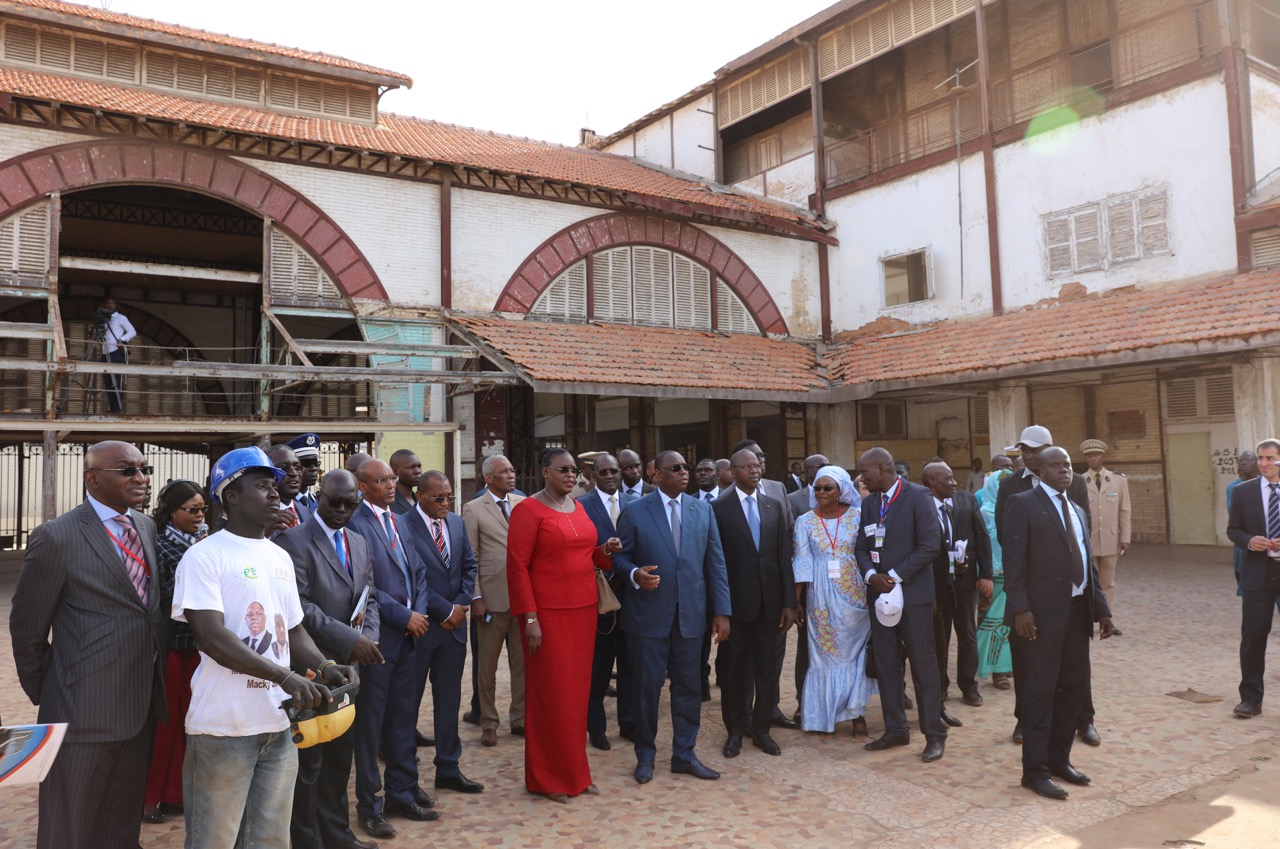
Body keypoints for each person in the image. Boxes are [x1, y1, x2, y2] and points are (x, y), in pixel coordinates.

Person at [175, 447, 354, 849]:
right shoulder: (204, 556)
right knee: (214, 841)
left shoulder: (278, 556)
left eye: (274, 486)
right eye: (261, 486)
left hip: (278, 724)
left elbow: (292, 628)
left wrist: (324, 665)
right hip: (224, 727)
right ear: (231, 496)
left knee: (270, 840)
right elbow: (211, 636)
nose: (275, 493)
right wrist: (285, 676)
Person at [10, 440, 167, 849]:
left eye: (144, 468)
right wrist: (57, 692)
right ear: (92, 477)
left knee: (120, 828)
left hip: (139, 710)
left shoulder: (145, 527)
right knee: (69, 830)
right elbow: (27, 630)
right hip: (80, 715)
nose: (141, 478)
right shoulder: (56, 537)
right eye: (128, 470)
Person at [275, 469, 383, 849]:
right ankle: (307, 840)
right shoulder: (294, 540)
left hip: (349, 670)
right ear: (319, 496)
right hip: (311, 666)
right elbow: (299, 607)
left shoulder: (359, 540)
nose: (340, 510)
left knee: (340, 758)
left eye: (349, 504)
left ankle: (338, 834)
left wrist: (367, 639)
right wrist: (350, 639)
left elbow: (368, 596)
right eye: (333, 502)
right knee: (309, 766)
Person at [507, 448, 620, 802]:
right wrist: (530, 617)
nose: (572, 475)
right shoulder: (527, 511)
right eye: (564, 470)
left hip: (583, 613)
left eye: (575, 471)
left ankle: (576, 773)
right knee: (551, 697)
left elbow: (584, 554)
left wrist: (605, 550)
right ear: (545, 472)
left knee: (575, 697)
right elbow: (517, 567)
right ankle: (546, 778)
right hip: (547, 616)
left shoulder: (579, 506)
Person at [1002, 446, 1115, 800]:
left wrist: (1102, 609)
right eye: (1056, 464)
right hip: (1037, 618)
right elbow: (1013, 561)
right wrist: (1020, 608)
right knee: (1040, 693)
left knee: (1071, 691)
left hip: (1077, 615)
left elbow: (1088, 565)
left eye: (1067, 464)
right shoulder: (1023, 504)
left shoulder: (1078, 510)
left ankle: (1059, 761)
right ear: (1041, 470)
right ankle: (1033, 772)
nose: (1065, 470)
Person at [614, 450, 731, 784]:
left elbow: (716, 564)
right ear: (656, 475)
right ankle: (645, 756)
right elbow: (620, 559)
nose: (684, 473)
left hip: (691, 618)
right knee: (646, 691)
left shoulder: (702, 509)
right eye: (675, 468)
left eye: (686, 468)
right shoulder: (635, 512)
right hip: (648, 618)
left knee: (689, 689)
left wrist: (722, 611)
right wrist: (635, 573)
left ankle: (684, 754)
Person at [347, 459, 440, 838]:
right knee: (371, 727)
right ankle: (370, 805)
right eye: (380, 480)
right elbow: (364, 585)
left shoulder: (398, 519)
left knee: (404, 718)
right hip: (378, 640)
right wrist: (404, 616)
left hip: (409, 638)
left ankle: (402, 792)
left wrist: (418, 611)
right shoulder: (355, 523)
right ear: (362, 486)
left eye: (390, 478)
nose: (390, 485)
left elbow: (417, 569)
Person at [995, 425, 1096, 745]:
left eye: (1034, 450)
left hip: (1069, 593)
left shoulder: (1075, 482)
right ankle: (1025, 721)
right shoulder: (1010, 486)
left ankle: (1084, 719)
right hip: (1031, 592)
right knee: (1027, 663)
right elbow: (1007, 538)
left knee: (1076, 664)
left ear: (1051, 450)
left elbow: (1082, 534)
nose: (1027, 455)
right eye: (1024, 449)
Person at [854, 447, 946, 762]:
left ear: (883, 468)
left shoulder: (918, 497)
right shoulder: (868, 504)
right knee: (886, 664)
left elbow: (930, 546)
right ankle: (896, 729)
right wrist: (870, 575)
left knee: (923, 666)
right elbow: (861, 547)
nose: (861, 477)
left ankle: (934, 734)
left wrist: (892, 576)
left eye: (865, 471)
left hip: (914, 598)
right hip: (879, 597)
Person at [401, 470, 485, 796]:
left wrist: (460, 606)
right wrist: (445, 610)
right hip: (422, 629)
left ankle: (448, 767)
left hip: (454, 630)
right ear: (419, 495)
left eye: (449, 496)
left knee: (449, 700)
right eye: (439, 497)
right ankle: (405, 775)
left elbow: (468, 566)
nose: (446, 503)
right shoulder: (404, 526)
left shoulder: (456, 523)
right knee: (409, 703)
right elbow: (413, 577)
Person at [713, 448, 796, 758]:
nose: (754, 470)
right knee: (735, 671)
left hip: (771, 605)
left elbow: (783, 557)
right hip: (736, 607)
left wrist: (789, 602)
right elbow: (717, 562)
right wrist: (720, 609)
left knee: (767, 670)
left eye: (757, 465)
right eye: (746, 467)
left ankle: (762, 729)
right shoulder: (719, 508)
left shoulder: (774, 504)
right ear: (733, 472)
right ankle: (735, 729)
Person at [141, 479, 206, 825]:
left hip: (197, 648)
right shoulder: (160, 544)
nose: (199, 516)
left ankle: (175, 794)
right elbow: (165, 596)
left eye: (202, 510)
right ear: (172, 511)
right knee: (165, 725)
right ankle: (150, 798)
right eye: (191, 510)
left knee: (187, 723)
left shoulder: (203, 541)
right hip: (171, 647)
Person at [793, 466, 874, 738]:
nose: (821, 493)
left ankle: (857, 715)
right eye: (817, 488)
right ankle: (823, 716)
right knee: (823, 656)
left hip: (855, 594)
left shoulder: (858, 516)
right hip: (821, 598)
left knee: (856, 656)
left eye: (828, 488)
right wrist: (797, 601)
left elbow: (867, 551)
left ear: (842, 490)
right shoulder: (804, 521)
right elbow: (802, 562)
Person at [731, 438, 798, 732]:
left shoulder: (777, 489)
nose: (758, 465)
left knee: (771, 662)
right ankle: (742, 719)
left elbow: (787, 541)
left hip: (772, 598)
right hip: (741, 600)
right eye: (752, 460)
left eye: (760, 459)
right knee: (741, 666)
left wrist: (789, 599)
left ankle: (768, 712)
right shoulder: (725, 503)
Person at [462, 454, 528, 746]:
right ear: (489, 478)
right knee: (486, 667)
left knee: (523, 664)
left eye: (513, 470)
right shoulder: (473, 509)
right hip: (490, 600)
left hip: (522, 598)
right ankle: (488, 721)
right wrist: (475, 596)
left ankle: (520, 719)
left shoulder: (523, 504)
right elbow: (470, 557)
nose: (511, 475)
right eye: (504, 471)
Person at [922, 461, 992, 714]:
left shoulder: (966, 500)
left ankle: (969, 685)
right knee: (938, 637)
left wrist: (986, 574)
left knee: (967, 633)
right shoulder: (921, 505)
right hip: (937, 583)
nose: (954, 483)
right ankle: (940, 686)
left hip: (965, 581)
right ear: (931, 482)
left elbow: (982, 536)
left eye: (953, 478)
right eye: (947, 479)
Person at [578, 453, 638, 749]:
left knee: (629, 664)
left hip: (630, 597)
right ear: (593, 476)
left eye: (615, 471)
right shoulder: (581, 506)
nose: (611, 476)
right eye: (604, 472)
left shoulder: (634, 504)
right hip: (598, 597)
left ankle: (627, 723)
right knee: (599, 667)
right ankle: (596, 727)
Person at [1226, 438, 1280, 720]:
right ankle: (1250, 699)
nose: (1264, 464)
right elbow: (1233, 530)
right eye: (1261, 458)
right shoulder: (1243, 492)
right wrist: (1250, 541)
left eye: (1271, 458)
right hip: (1257, 573)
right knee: (1253, 638)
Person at [1081, 440, 1130, 627]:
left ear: (1104, 457)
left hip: (1110, 539)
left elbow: (1125, 511)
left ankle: (1107, 619)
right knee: (1087, 582)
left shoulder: (1118, 480)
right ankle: (1087, 619)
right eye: (1089, 455)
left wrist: (1125, 538)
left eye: (1096, 455)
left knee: (1108, 583)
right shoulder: (1078, 480)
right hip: (1087, 540)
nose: (1092, 458)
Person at [976, 469, 1014, 690]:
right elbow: (982, 548)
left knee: (1008, 625)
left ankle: (1005, 667)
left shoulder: (1017, 509)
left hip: (1013, 576)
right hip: (992, 579)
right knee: (991, 623)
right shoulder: (985, 512)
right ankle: (994, 670)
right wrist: (984, 575)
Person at [1227, 451, 1262, 595]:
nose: (1244, 463)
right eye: (1241, 461)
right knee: (1241, 570)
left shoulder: (1266, 484)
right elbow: (1235, 517)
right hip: (1245, 538)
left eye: (1248, 460)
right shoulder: (1234, 488)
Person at [98, 296, 137, 414]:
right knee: (108, 382)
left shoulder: (121, 318)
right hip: (105, 353)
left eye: (112, 303)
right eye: (107, 303)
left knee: (117, 382)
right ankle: (113, 408)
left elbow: (132, 331)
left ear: (116, 305)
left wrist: (122, 339)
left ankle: (118, 408)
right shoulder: (103, 319)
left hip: (116, 352)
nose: (109, 305)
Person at [267, 444, 311, 534]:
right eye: (284, 468)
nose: (294, 473)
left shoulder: (307, 512)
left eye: (297, 468)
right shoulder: (256, 516)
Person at [287, 433, 323, 511]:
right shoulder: (283, 503)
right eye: (306, 464)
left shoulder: (319, 503)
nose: (313, 468)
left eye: (316, 463)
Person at [390, 449, 422, 515]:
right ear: (395, 472)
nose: (418, 471)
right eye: (411, 467)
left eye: (419, 466)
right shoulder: (388, 501)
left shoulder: (420, 500)